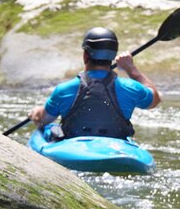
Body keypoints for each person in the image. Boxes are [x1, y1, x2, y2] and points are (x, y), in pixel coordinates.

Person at [28, 27, 161, 139]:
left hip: (75, 149)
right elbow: (155, 99)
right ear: (113, 55)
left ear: (85, 55)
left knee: (49, 129)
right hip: (115, 149)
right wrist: (131, 68)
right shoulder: (131, 88)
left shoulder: (64, 89)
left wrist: (36, 112)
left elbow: (43, 120)